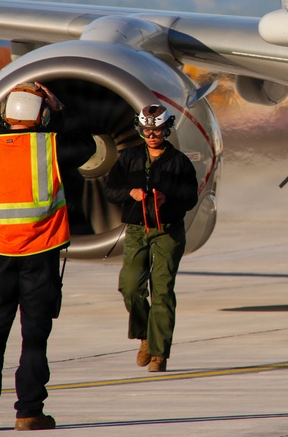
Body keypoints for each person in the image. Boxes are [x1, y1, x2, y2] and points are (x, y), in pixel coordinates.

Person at [0, 81, 95, 432]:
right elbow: (88, 144)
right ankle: (28, 412)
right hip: (40, 254)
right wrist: (61, 110)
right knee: (34, 338)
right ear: (43, 116)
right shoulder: (50, 147)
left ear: (6, 113)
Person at [104, 103, 198, 373]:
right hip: (137, 230)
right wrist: (129, 193)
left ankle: (159, 353)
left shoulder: (180, 162)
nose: (151, 135)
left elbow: (190, 198)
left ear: (166, 130)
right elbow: (110, 190)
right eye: (146, 130)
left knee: (162, 290)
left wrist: (168, 199)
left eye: (156, 130)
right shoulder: (128, 158)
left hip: (168, 231)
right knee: (130, 287)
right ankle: (145, 334)